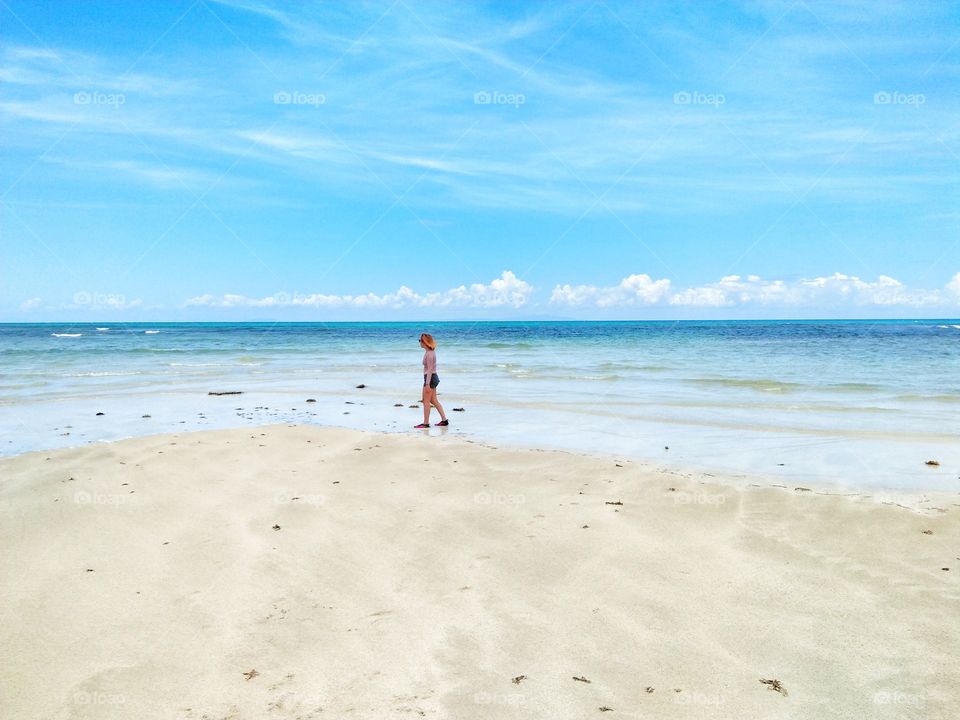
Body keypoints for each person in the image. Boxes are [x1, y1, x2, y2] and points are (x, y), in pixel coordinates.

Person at [415, 332, 448, 429]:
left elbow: (429, 370)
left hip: (430, 378)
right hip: (433, 377)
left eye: (420, 341)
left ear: (425, 342)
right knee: (433, 400)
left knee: (426, 401)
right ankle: (444, 420)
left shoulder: (429, 354)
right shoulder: (430, 352)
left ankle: (425, 423)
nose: (419, 342)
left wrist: (427, 384)